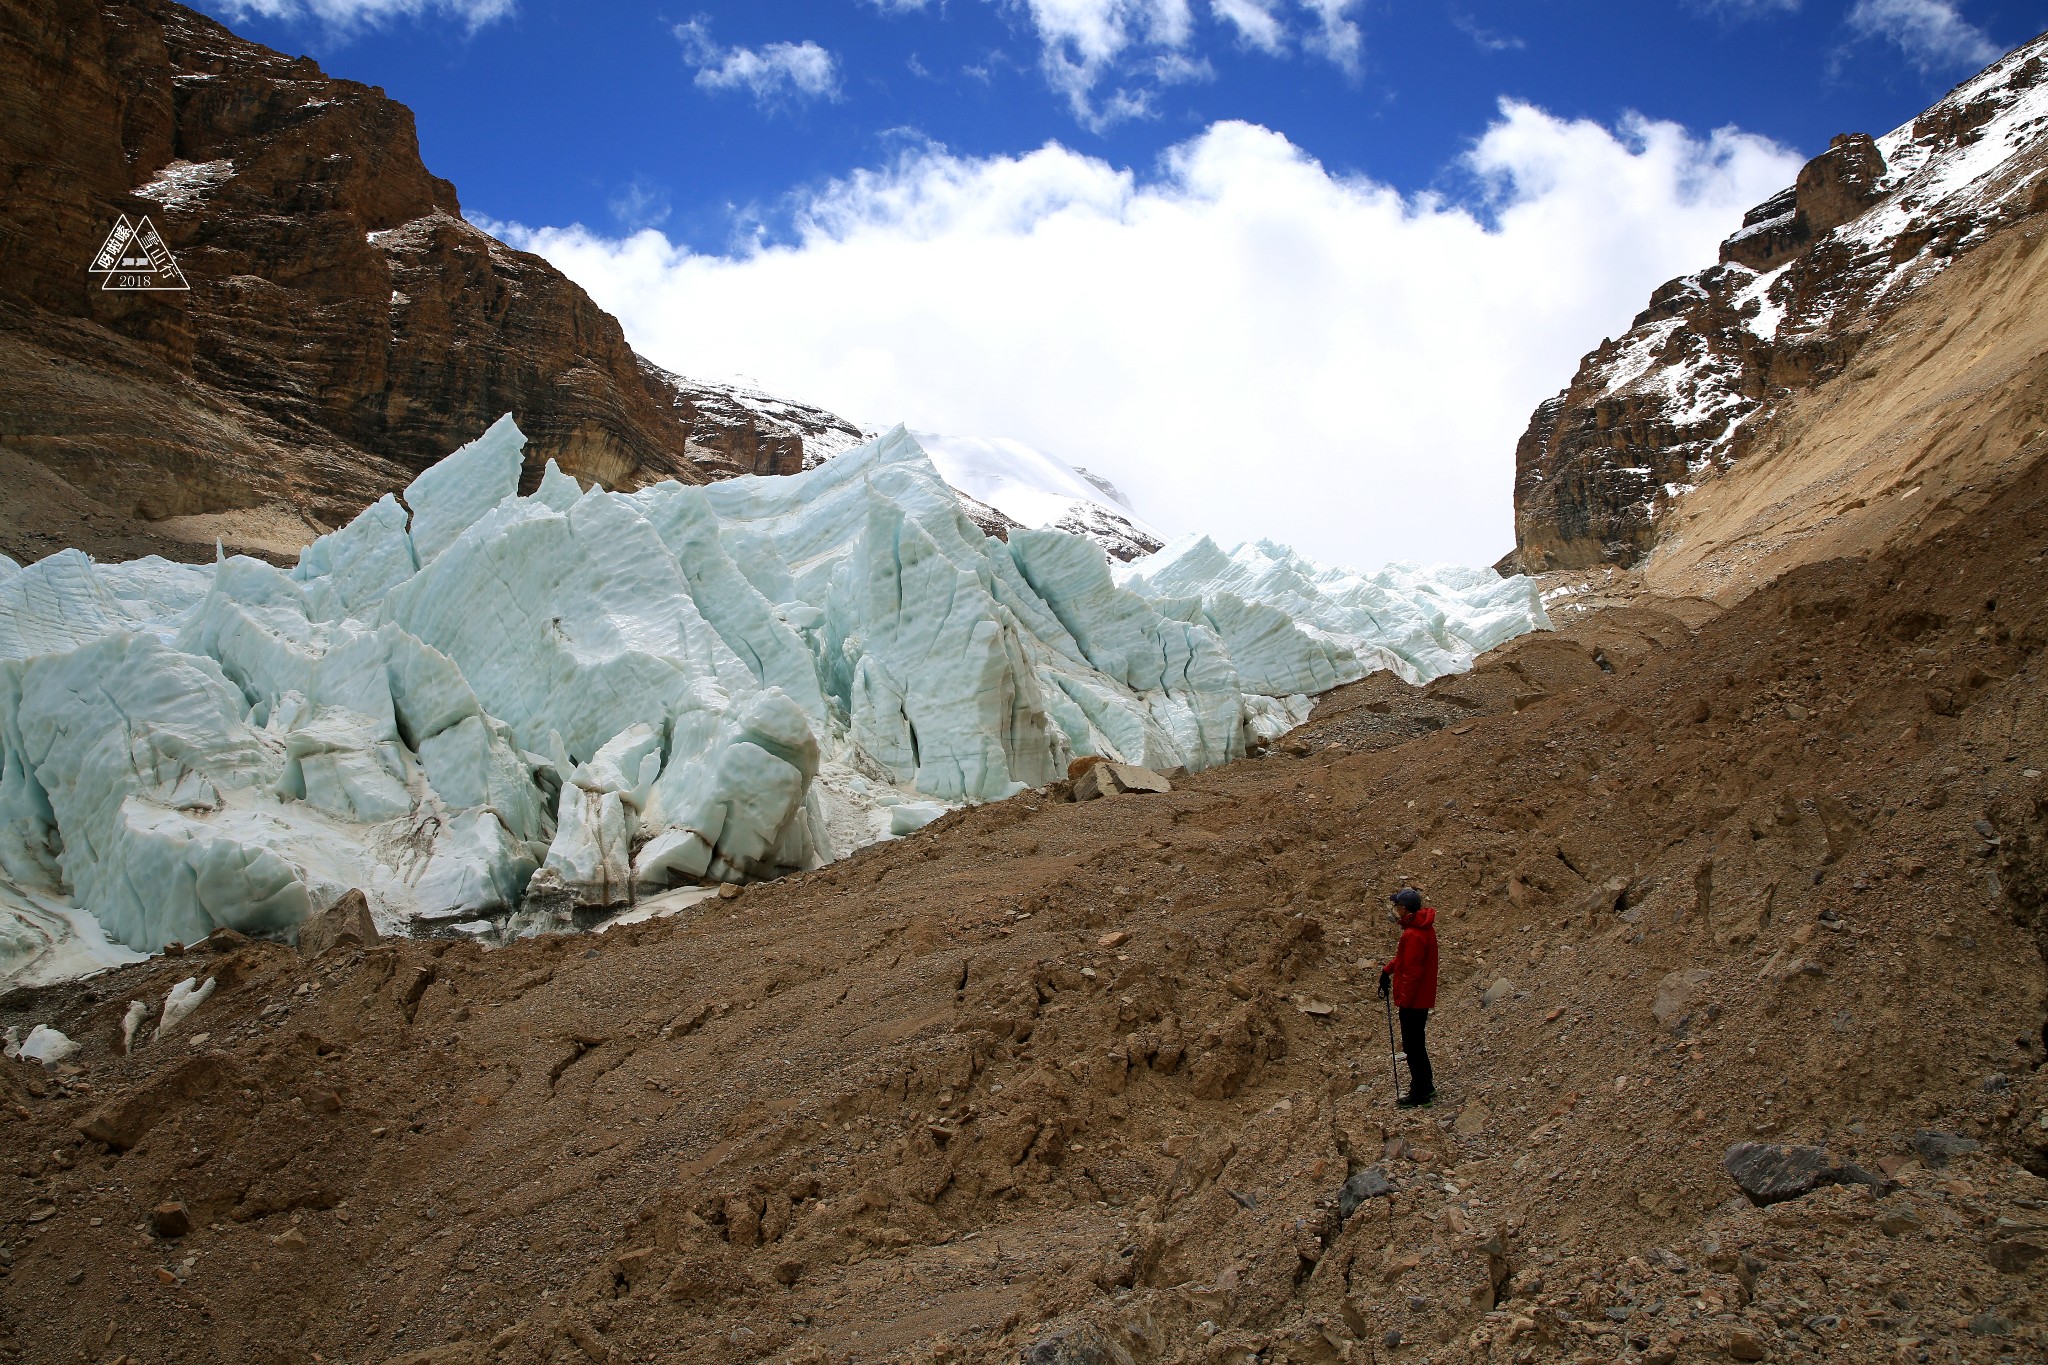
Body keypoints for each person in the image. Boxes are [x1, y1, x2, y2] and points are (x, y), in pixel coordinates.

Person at [1377, 886, 1439, 1107]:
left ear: (1404, 908)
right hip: (1421, 998)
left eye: (1397, 906)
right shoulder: (1422, 929)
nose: (1396, 910)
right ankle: (1426, 1086)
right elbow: (1402, 960)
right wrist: (1387, 970)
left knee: (1412, 1046)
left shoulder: (1412, 935)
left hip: (1413, 1001)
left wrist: (1404, 1000)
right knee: (1417, 1044)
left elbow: (1412, 973)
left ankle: (1419, 1092)